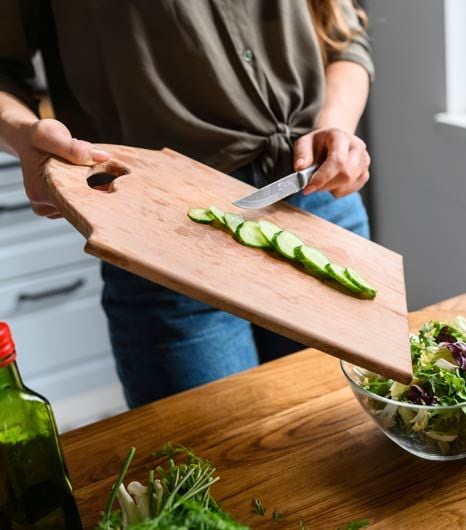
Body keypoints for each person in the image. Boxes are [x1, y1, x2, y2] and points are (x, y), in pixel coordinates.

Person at [0, 1, 373, 407]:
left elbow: (342, 33)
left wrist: (335, 126)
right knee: (214, 458)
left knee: (350, 434)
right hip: (162, 233)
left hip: (316, 202)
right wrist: (24, 135)